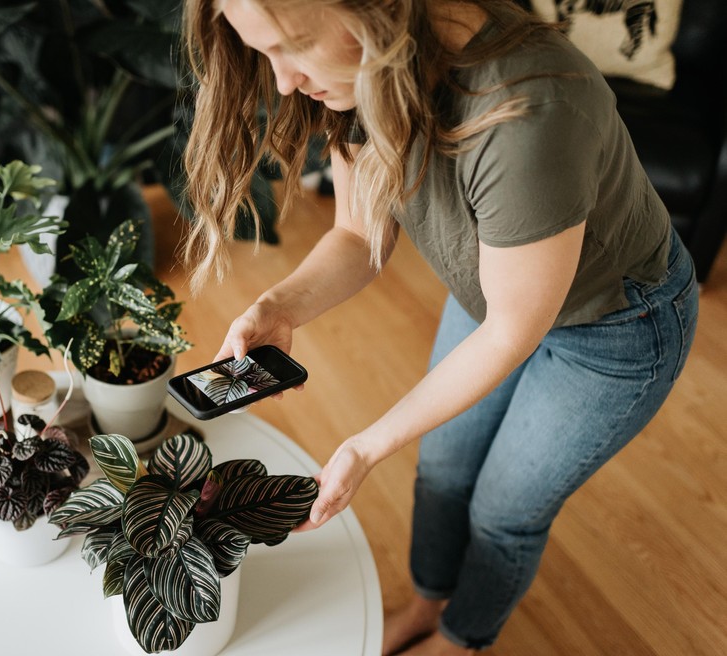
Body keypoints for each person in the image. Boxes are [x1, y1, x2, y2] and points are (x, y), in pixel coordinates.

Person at [180, 0, 700, 654]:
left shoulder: (533, 110)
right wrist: (280, 307)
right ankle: (429, 603)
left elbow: (513, 331)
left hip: (617, 325)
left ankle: (460, 638)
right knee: (445, 471)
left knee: (503, 514)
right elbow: (356, 229)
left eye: (295, 46)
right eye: (266, 52)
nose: (281, 81)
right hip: (502, 290)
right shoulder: (361, 70)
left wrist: (365, 447)